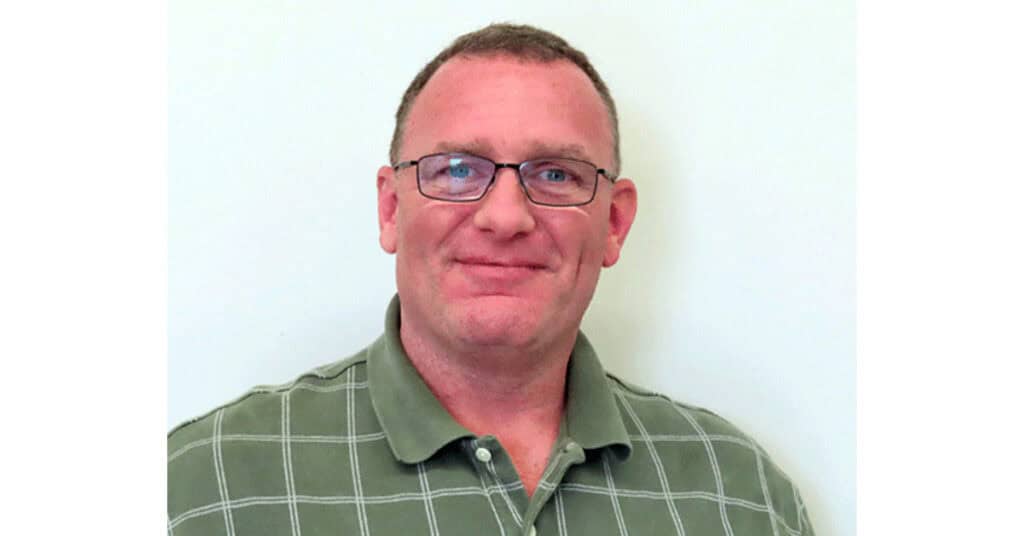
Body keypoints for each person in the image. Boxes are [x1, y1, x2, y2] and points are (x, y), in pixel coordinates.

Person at [168, 23, 815, 536]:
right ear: (391, 209)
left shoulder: (743, 501)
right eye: (456, 170)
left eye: (556, 174)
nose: (505, 217)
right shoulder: (200, 491)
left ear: (614, 223)